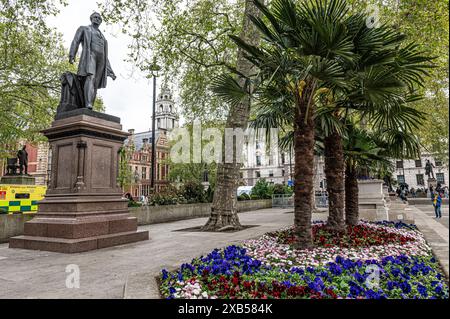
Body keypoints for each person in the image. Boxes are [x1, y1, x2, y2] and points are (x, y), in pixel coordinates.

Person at [69, 12, 116, 109]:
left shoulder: (103, 37)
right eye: (95, 17)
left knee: (96, 83)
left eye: (99, 18)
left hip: (101, 60)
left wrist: (110, 71)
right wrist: (72, 54)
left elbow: (105, 55)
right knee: (91, 77)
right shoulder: (84, 29)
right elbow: (75, 41)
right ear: (91, 18)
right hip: (90, 56)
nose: (97, 19)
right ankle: (88, 103)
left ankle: (90, 106)